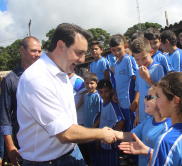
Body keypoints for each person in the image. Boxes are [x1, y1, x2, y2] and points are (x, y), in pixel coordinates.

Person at [16, 23, 117, 166]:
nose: (82, 59)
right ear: (61, 46)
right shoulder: (37, 79)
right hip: (47, 161)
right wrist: (102, 134)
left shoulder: (62, 73)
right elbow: (64, 133)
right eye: (79, 53)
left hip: (71, 152)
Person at [119, 72, 182, 165]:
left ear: (175, 101)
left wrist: (150, 156)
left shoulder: (166, 140)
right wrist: (149, 152)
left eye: (158, 97)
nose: (156, 102)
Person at [0, 36, 42, 166]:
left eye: (39, 51)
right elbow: (5, 116)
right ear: (22, 50)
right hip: (22, 142)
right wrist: (10, 146)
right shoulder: (10, 80)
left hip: (43, 140)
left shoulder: (43, 77)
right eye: (33, 51)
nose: (37, 55)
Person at [116, 86, 171, 166]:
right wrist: (109, 133)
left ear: (160, 100)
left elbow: (164, 158)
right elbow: (131, 136)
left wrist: (148, 152)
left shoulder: (168, 128)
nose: (144, 100)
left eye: (149, 97)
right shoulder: (149, 120)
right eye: (145, 97)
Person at [129, 37, 165, 124]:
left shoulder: (158, 68)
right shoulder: (138, 71)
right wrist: (137, 114)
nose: (141, 62)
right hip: (142, 116)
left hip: (155, 117)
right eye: (137, 59)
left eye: (144, 58)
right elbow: (140, 94)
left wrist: (147, 78)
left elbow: (162, 92)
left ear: (151, 52)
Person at [109, 34, 138, 132]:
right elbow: (118, 82)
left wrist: (136, 100)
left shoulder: (128, 59)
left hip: (130, 103)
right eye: (113, 50)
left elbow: (136, 79)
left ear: (125, 47)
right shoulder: (116, 64)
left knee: (133, 131)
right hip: (121, 103)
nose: (116, 52)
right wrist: (115, 94)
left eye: (119, 49)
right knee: (126, 129)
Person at [97, 79, 125, 166]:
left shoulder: (113, 105)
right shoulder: (103, 103)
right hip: (104, 143)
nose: (103, 94)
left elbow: (121, 121)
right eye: (101, 92)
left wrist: (114, 137)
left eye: (106, 91)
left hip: (111, 145)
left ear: (111, 90)